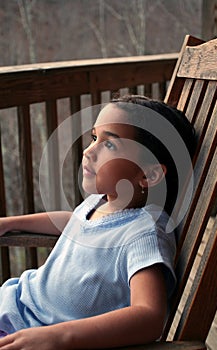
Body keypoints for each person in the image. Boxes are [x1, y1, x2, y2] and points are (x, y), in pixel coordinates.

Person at [0, 95, 196, 349]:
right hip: (17, 304)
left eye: (110, 145)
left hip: (35, 336)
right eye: (94, 138)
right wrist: (9, 222)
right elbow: (75, 221)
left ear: (149, 174)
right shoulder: (102, 201)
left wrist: (58, 336)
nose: (88, 151)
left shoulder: (144, 234)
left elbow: (150, 315)